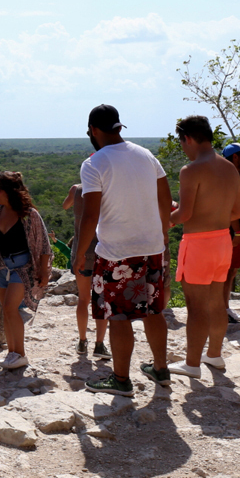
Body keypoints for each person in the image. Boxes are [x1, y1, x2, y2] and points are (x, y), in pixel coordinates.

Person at [73, 104, 172, 396]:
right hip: (152, 247)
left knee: (118, 315)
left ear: (93, 130)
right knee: (154, 311)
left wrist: (80, 253)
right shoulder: (147, 155)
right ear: (119, 127)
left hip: (117, 253)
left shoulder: (94, 163)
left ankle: (120, 379)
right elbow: (165, 201)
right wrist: (163, 237)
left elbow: (90, 215)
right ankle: (161, 369)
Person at [167, 116, 240, 377]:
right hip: (223, 241)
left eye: (182, 142)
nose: (183, 148)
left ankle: (191, 364)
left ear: (188, 138)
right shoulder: (230, 168)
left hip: (199, 245)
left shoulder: (191, 170)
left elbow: (185, 214)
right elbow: (238, 211)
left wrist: (166, 219)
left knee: (196, 306)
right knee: (216, 302)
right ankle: (214, 355)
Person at [0, 171, 53, 370]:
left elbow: (43, 244)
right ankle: (11, 353)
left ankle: (20, 354)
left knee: (11, 309)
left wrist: (44, 272)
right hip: (2, 267)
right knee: (6, 311)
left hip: (23, 267)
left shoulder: (29, 214)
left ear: (9, 191)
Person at [61, 173, 110, 360]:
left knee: (83, 299)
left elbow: (65, 206)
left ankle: (82, 341)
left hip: (80, 251)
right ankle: (100, 344)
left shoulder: (76, 189)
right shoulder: (107, 191)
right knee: (101, 300)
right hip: (102, 251)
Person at [220, 143, 240, 323]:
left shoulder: (231, 176)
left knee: (231, 271)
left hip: (234, 230)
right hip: (231, 231)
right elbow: (231, 207)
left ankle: (223, 307)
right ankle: (222, 309)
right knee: (227, 272)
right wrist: (239, 233)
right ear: (235, 157)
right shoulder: (228, 177)